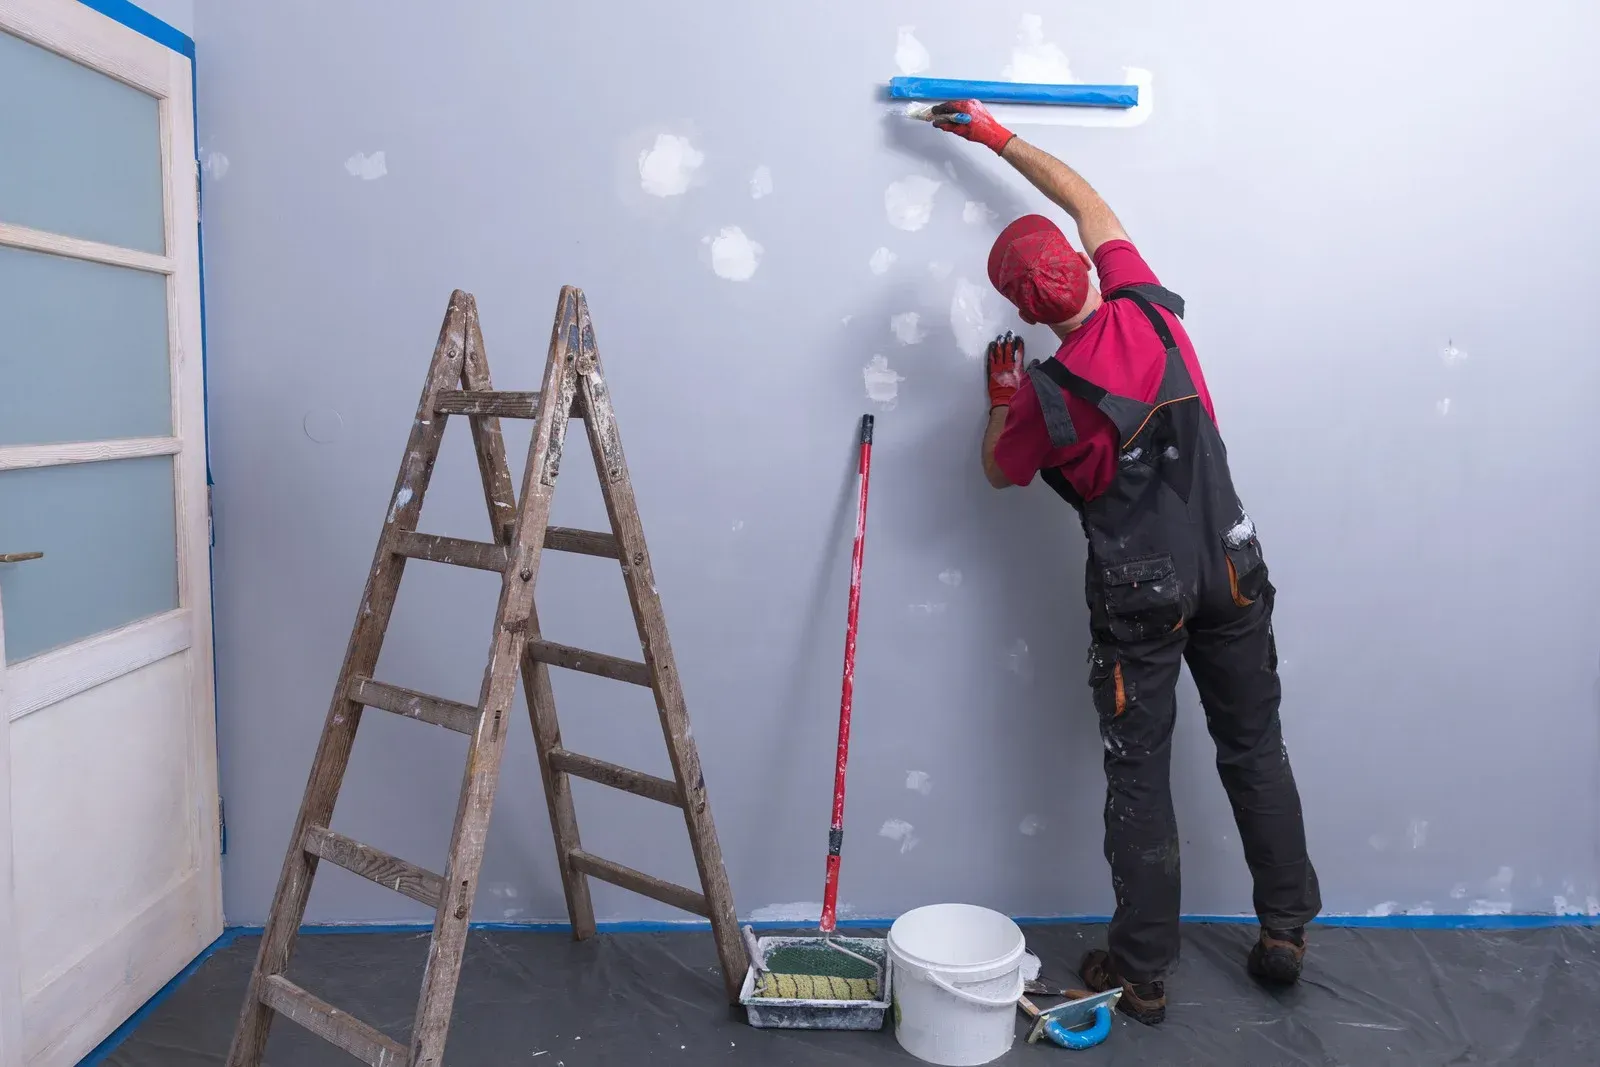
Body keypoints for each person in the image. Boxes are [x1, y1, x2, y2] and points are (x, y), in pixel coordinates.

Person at [928, 100, 1321, 1025]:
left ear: (1026, 308)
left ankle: (1143, 972)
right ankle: (1285, 930)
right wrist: (996, 137)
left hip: (1140, 594)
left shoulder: (1046, 397)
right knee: (1254, 744)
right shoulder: (1148, 304)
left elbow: (995, 473)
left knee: (1139, 774)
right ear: (1083, 267)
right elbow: (1088, 196)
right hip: (1232, 566)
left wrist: (1000, 397)